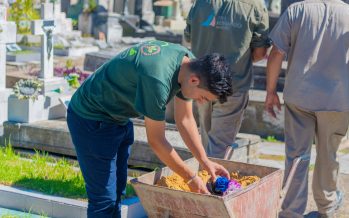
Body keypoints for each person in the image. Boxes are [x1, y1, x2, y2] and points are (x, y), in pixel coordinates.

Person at [67, 40, 232, 217]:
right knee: (104, 201)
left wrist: (205, 162)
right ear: (194, 80)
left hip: (118, 118)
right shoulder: (157, 80)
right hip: (91, 119)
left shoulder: (189, 64)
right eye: (203, 97)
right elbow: (156, 141)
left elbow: (184, 119)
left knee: (117, 193)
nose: (201, 102)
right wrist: (191, 178)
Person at [265, 0, 349, 217]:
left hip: (299, 96)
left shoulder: (297, 10)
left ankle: (291, 212)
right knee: (329, 153)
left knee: (296, 155)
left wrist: (270, 91)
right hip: (337, 99)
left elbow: (276, 53)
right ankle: (327, 207)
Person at [184, 0, 270, 158]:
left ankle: (204, 178)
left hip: (200, 84)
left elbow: (189, 37)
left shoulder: (200, 2)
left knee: (206, 141)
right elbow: (260, 53)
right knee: (219, 147)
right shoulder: (255, 5)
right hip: (232, 84)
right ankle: (212, 181)